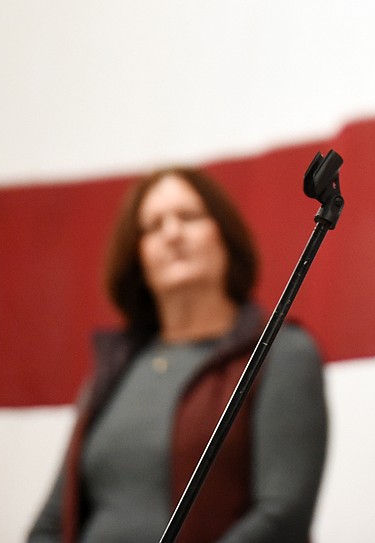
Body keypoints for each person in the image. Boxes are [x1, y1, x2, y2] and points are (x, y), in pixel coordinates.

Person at [27, 166, 327, 543]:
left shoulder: (282, 352)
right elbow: (52, 524)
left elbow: (281, 517)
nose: (172, 233)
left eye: (189, 216)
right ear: (138, 258)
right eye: (153, 226)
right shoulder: (117, 367)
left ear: (224, 236)